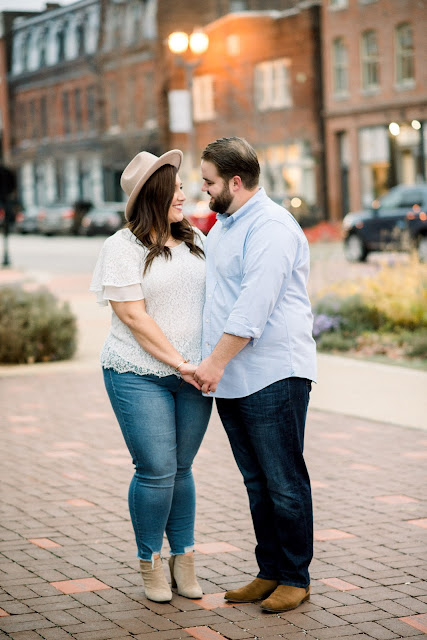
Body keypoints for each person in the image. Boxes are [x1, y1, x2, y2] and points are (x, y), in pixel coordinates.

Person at [193, 137, 317, 614]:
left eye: (209, 182)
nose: (204, 190)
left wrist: (214, 363)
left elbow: (252, 308)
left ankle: (294, 577)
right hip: (233, 376)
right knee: (256, 482)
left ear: (236, 182)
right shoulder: (226, 225)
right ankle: (268, 571)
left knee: (284, 481)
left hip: (272, 374)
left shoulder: (270, 228)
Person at [90, 150, 212, 603]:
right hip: (138, 372)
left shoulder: (197, 239)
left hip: (195, 375)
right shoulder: (121, 248)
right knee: (157, 469)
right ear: (154, 194)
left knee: (181, 469)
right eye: (175, 187)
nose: (184, 193)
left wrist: (208, 362)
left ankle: (185, 557)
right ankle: (150, 562)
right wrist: (182, 363)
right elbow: (135, 319)